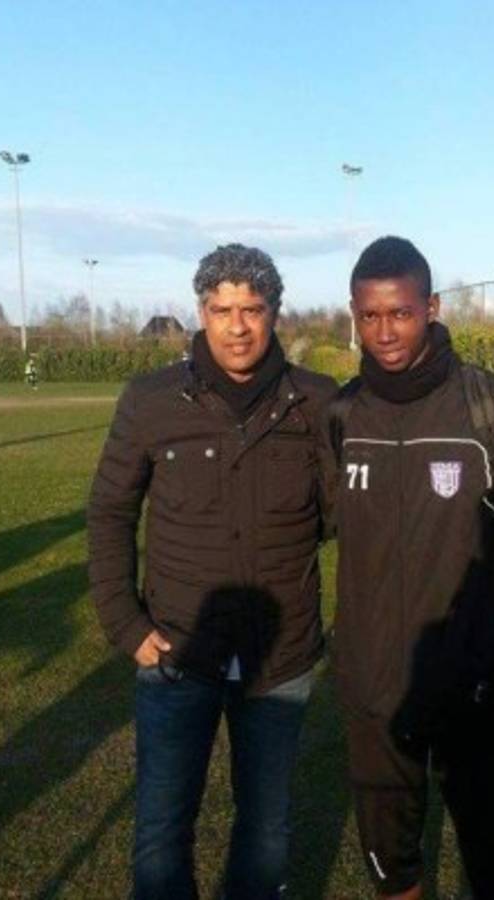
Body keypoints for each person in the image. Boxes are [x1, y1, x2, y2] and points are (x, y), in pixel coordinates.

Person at [327, 236, 494, 900]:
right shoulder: (343, 413)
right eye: (370, 316)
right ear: (354, 315)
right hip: (376, 695)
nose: (385, 332)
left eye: (401, 313)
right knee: (395, 875)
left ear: (432, 307)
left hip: (479, 693)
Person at [87, 243, 338, 899]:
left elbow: (342, 517)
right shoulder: (151, 400)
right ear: (201, 312)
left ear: (275, 311)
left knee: (267, 832)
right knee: (161, 834)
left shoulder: (317, 402)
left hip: (280, 657)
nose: (237, 327)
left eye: (251, 309)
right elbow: (110, 512)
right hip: (176, 650)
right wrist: (124, 622)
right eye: (222, 310)